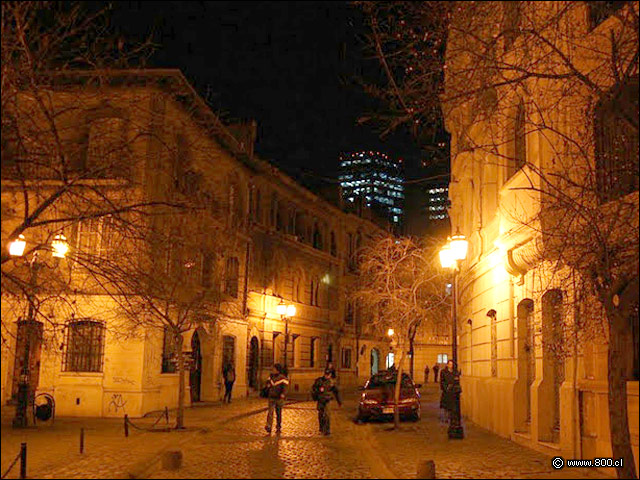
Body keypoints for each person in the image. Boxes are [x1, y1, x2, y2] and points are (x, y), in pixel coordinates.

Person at [312, 368, 342, 435]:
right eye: (326, 374)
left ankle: (327, 430)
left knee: (327, 415)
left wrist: (339, 401)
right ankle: (321, 428)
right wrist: (317, 393)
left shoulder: (331, 382)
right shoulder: (319, 381)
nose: (327, 376)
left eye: (328, 375)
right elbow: (313, 389)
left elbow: (336, 392)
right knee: (321, 415)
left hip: (327, 400)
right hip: (320, 400)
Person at [265, 363, 289, 434]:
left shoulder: (283, 378)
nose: (272, 370)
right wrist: (268, 386)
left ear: (278, 370)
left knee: (278, 413)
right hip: (271, 397)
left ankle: (278, 425)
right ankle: (269, 426)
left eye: (274, 369)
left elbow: (285, 388)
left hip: (279, 398)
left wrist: (283, 394)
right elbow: (267, 383)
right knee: (270, 412)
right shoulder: (271, 377)